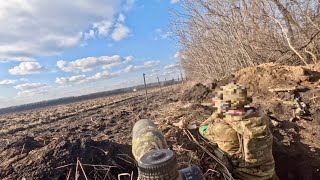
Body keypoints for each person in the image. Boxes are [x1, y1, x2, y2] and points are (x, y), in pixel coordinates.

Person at [199, 82, 278, 180]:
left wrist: (217, 114)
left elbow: (202, 128)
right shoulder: (262, 117)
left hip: (245, 177)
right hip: (270, 172)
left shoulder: (222, 128)